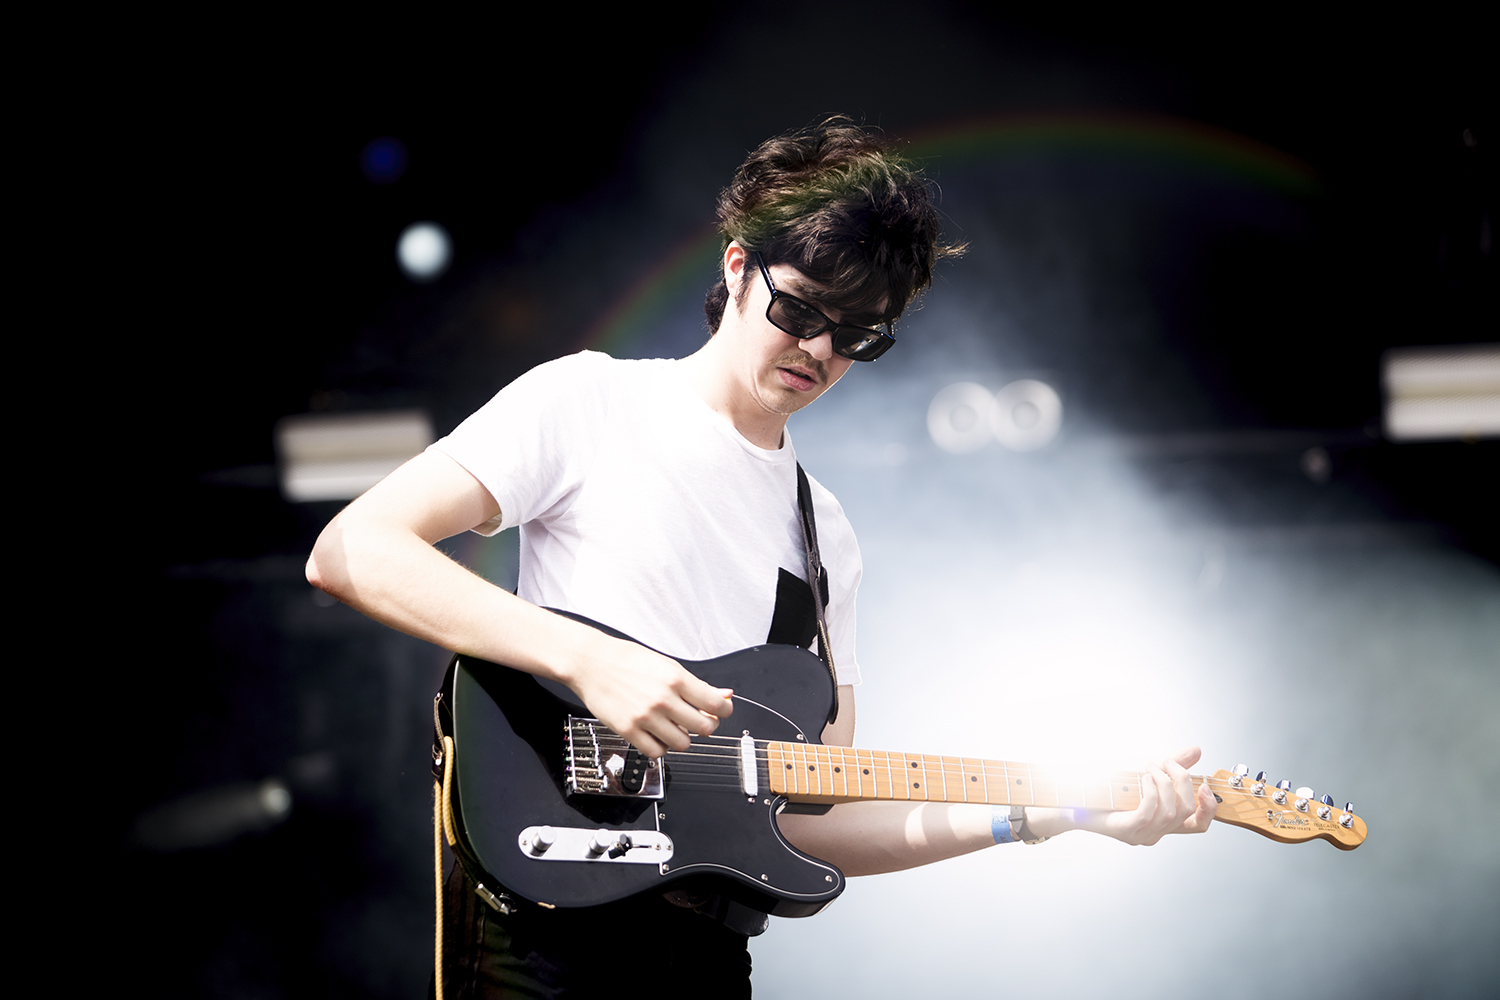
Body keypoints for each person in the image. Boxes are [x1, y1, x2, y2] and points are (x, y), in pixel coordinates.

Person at [306, 119, 1216, 998]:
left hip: (706, 951)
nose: (818, 351)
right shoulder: (589, 400)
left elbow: (819, 818)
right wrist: (588, 657)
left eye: (857, 336)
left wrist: (1056, 811)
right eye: (801, 310)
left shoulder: (826, 533)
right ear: (737, 265)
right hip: (550, 920)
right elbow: (354, 550)